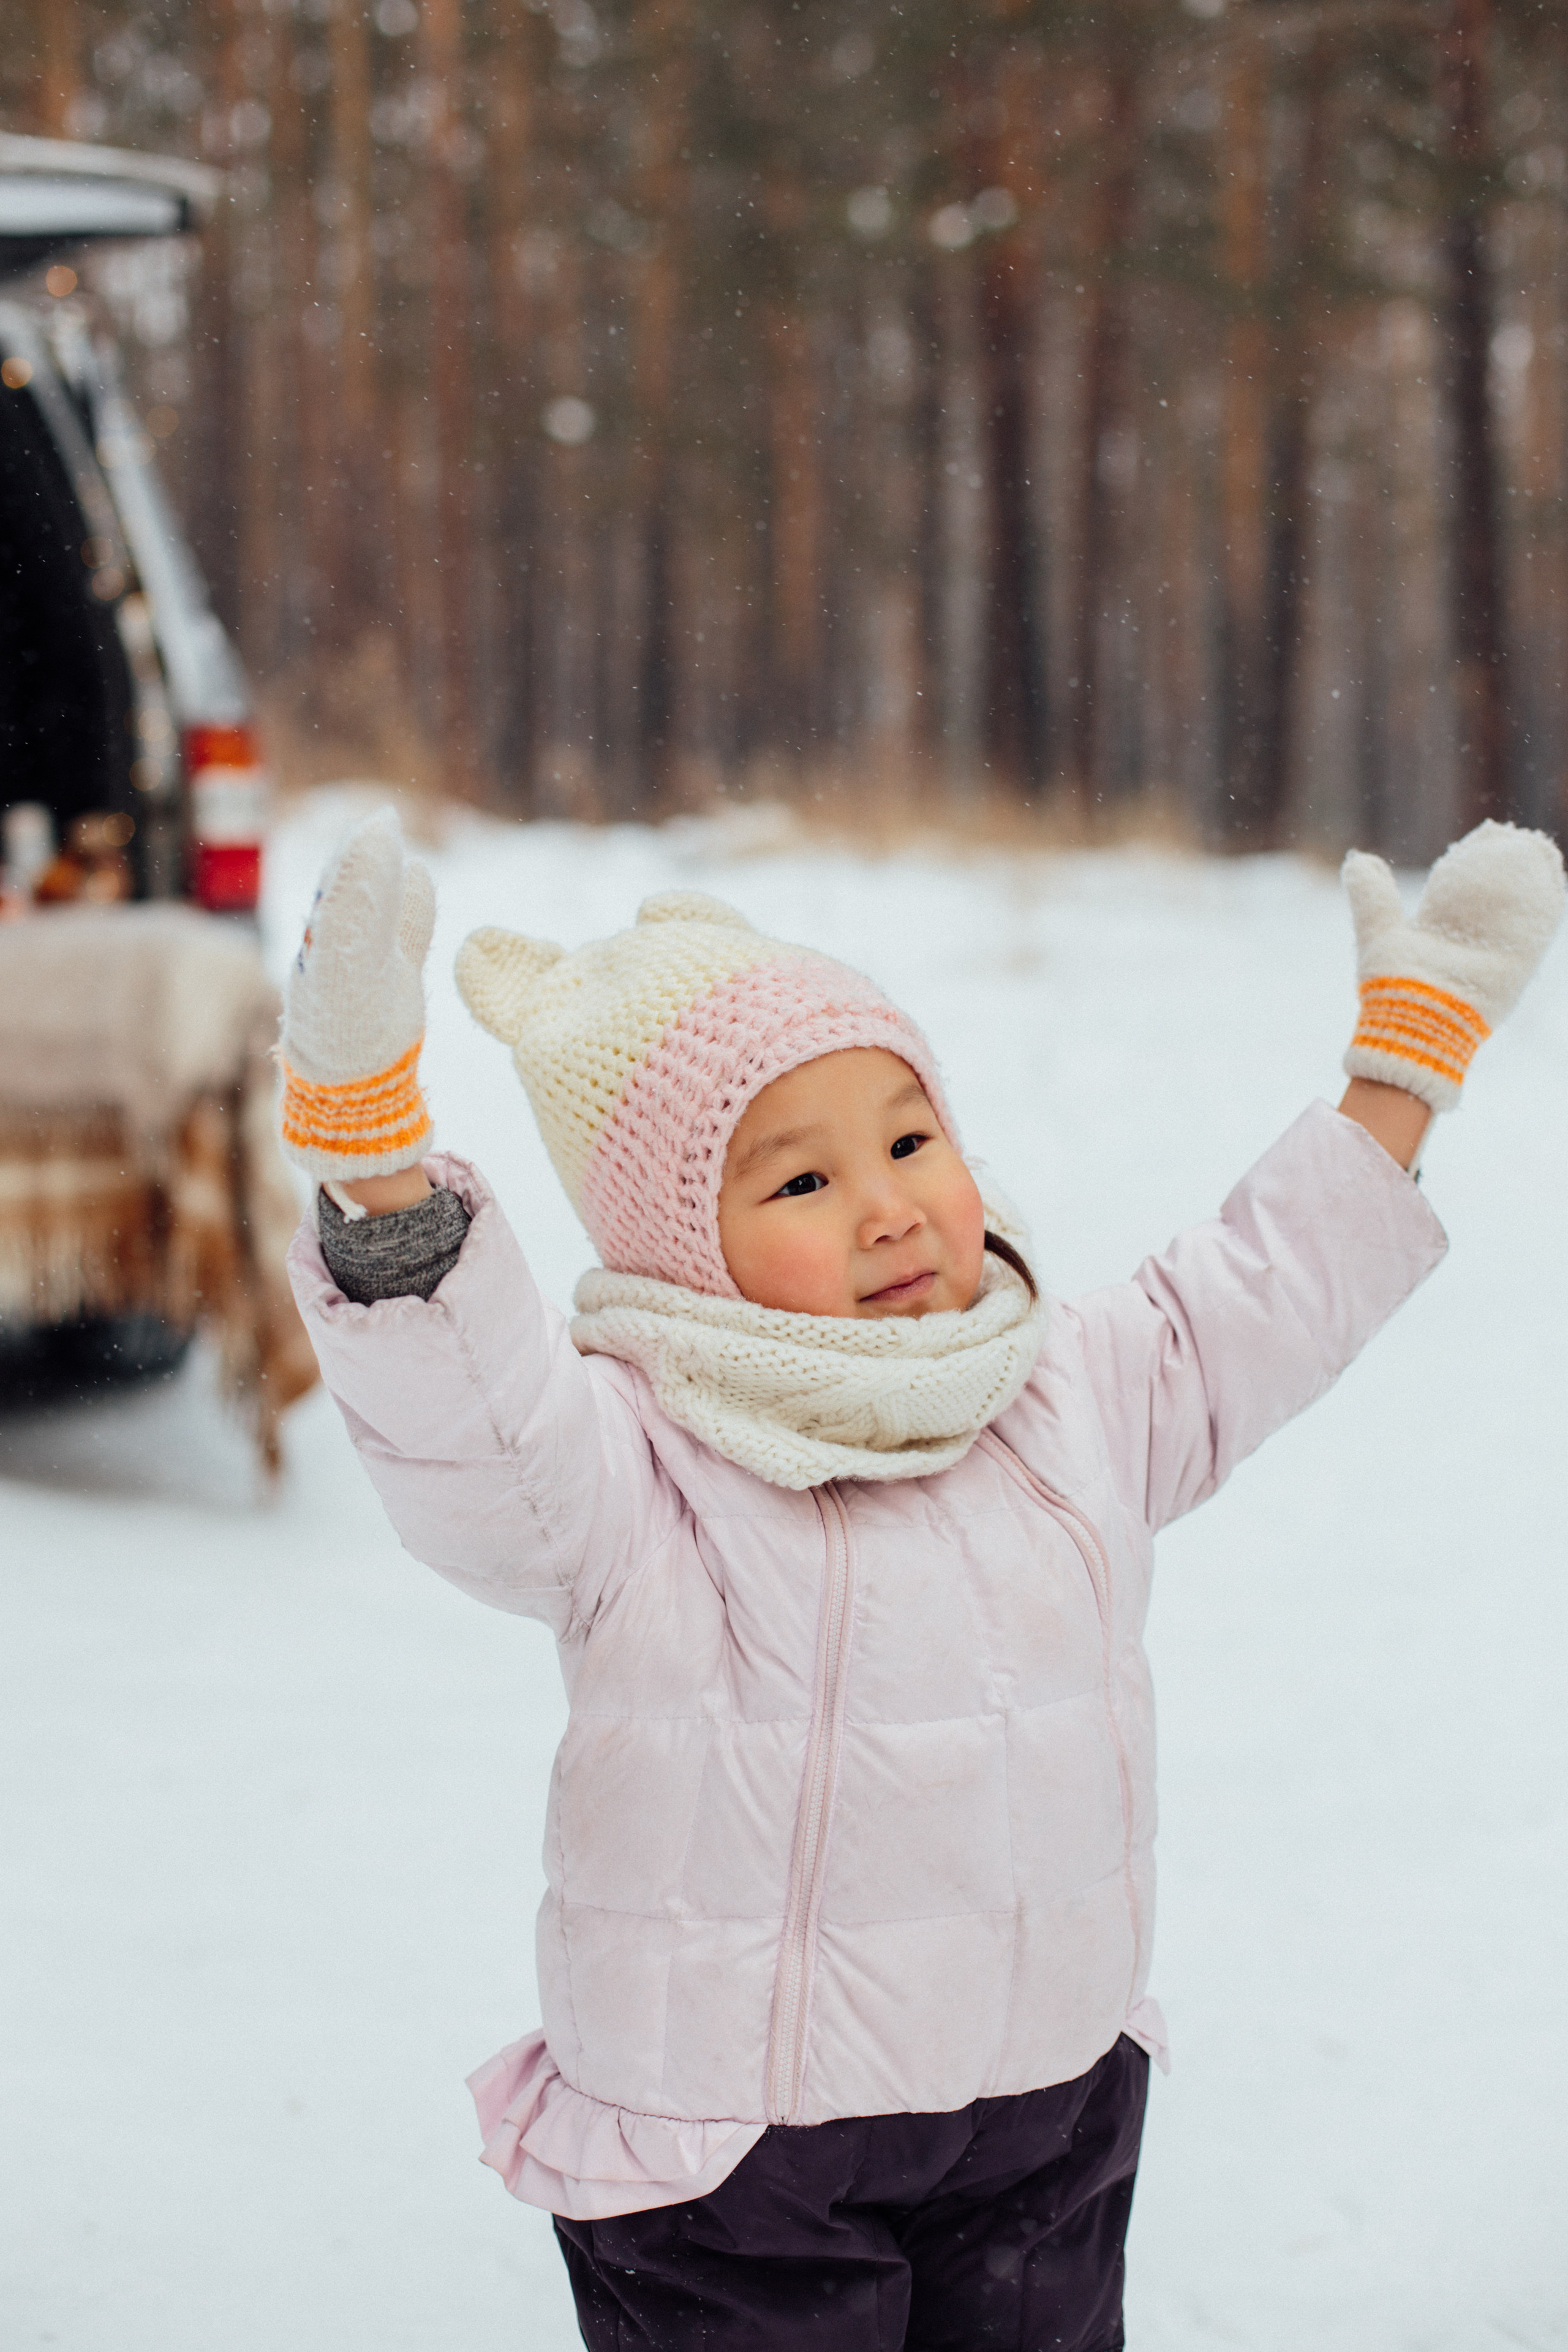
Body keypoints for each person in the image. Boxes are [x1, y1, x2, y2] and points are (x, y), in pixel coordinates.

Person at [281, 813, 1561, 2352]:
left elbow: (1260, 1292)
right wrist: (378, 1176)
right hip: (730, 2156)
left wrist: (1396, 1076)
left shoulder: (1071, 1386)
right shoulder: (633, 1463)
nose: (886, 1206)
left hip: (1038, 2110)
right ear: (685, 1244)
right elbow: (469, 1439)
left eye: (905, 1141)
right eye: (799, 1182)